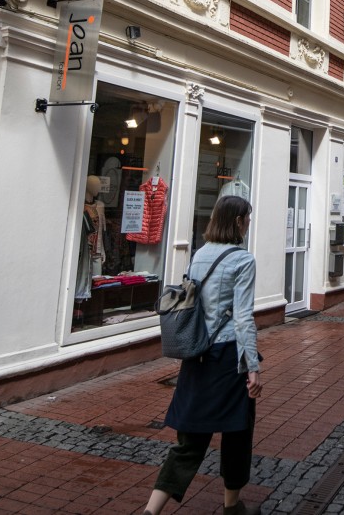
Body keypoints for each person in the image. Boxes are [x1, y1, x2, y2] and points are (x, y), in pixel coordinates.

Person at [143, 195, 262, 515]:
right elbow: (242, 318)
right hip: (227, 359)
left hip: (196, 356)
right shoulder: (243, 260)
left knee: (190, 440)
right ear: (237, 221)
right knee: (238, 432)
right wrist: (253, 367)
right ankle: (231, 506)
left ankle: (150, 511)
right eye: (247, 218)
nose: (249, 223)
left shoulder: (199, 255)